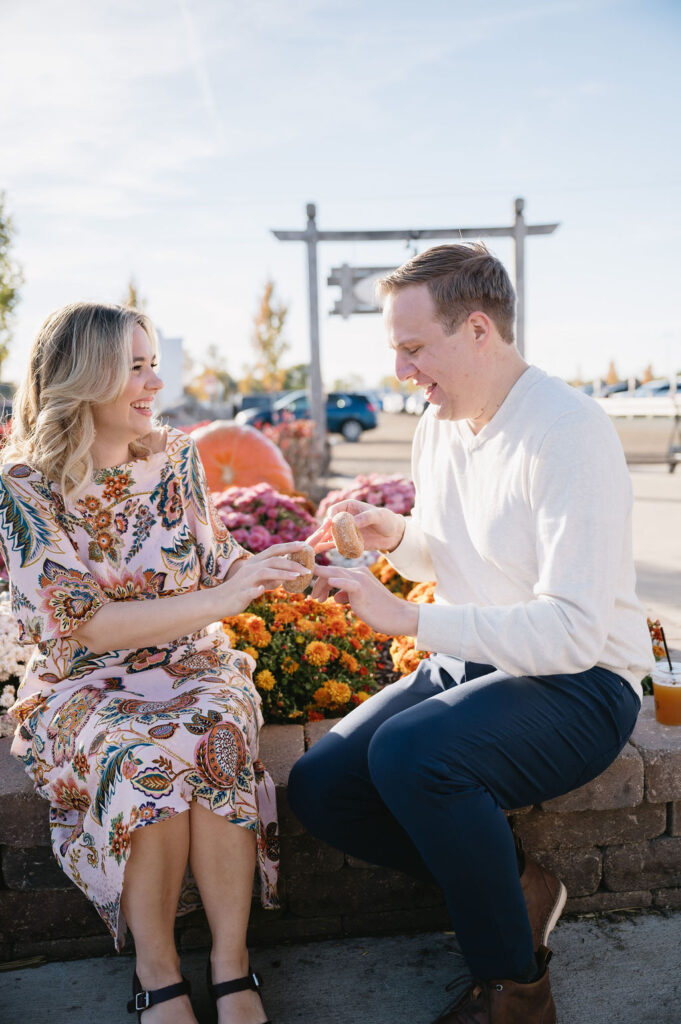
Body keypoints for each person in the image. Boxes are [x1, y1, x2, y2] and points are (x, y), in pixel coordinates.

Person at [288, 243, 653, 1024]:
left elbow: (572, 633)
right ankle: (519, 885)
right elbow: (456, 550)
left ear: (478, 330)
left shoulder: (568, 431)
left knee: (413, 757)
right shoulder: (441, 425)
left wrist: (410, 618)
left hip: (581, 684)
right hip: (473, 664)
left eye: (413, 348)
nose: (399, 370)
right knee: (321, 788)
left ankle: (515, 991)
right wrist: (396, 536)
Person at [0, 302, 310, 1024]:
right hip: (85, 683)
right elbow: (82, 630)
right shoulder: (23, 485)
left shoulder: (175, 455)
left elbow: (212, 556)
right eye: (133, 368)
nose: (153, 383)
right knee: (141, 755)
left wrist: (266, 566)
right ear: (85, 377)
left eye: (152, 365)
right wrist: (220, 601)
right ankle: (158, 971)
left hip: (192, 664)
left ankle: (232, 965)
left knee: (215, 731)